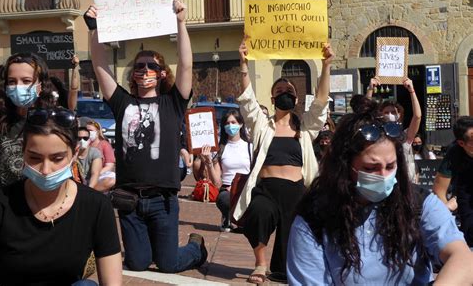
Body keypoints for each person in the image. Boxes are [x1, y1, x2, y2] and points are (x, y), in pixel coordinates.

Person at [287, 104, 473, 285]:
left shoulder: (418, 203)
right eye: (370, 168)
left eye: (390, 166)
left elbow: (463, 259)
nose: (383, 176)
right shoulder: (313, 218)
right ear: (344, 167)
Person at [85, 0, 207, 273]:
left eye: (151, 66)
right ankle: (149, 248)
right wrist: (94, 30)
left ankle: (196, 247)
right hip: (129, 199)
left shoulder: (173, 102)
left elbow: (186, 66)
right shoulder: (122, 102)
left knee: (168, 264)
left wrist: (181, 22)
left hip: (163, 201)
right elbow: (101, 66)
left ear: (162, 73)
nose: (144, 70)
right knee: (138, 263)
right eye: (139, 66)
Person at [235, 38, 334, 284]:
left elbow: (321, 102)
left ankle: (281, 268)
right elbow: (247, 101)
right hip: (266, 189)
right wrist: (243, 64)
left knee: (285, 258)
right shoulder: (262, 125)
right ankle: (260, 264)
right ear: (272, 97)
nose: (284, 94)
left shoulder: (306, 127)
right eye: (279, 91)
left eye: (289, 92)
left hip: (295, 191)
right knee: (258, 213)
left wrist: (326, 65)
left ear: (297, 99)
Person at [0, 107, 122, 285]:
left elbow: (112, 282)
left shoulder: (96, 206)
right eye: (35, 158)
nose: (45, 170)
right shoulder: (4, 202)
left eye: (57, 159)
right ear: (23, 152)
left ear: (75, 153)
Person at [0, 53, 55, 187]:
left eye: (26, 81)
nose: (18, 87)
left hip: (39, 198)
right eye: (12, 81)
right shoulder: (2, 121)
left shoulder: (53, 121)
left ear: (40, 85)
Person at [200, 110, 252, 232]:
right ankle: (227, 217)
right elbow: (217, 183)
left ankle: (243, 220)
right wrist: (208, 163)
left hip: (246, 188)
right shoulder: (220, 149)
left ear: (240, 124)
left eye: (233, 122)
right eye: (227, 123)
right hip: (227, 189)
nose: (230, 126)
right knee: (224, 198)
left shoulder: (250, 147)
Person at [367, 77, 421, 182]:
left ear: (400, 115)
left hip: (403, 181)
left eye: (393, 112)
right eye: (386, 112)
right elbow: (365, 116)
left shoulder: (405, 136)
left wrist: (412, 91)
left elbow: (417, 116)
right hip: (384, 179)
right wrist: (370, 90)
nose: (390, 115)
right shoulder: (377, 133)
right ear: (381, 115)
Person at [433, 116, 473, 245]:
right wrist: (447, 212)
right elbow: (439, 189)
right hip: (465, 194)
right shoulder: (454, 153)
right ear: (462, 143)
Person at [86, 120, 116, 192]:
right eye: (87, 130)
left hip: (100, 174)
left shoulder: (104, 144)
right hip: (85, 173)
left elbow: (109, 165)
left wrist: (96, 173)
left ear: (98, 132)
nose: (89, 133)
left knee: (112, 180)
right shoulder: (83, 143)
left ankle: (89, 191)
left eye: (91, 130)